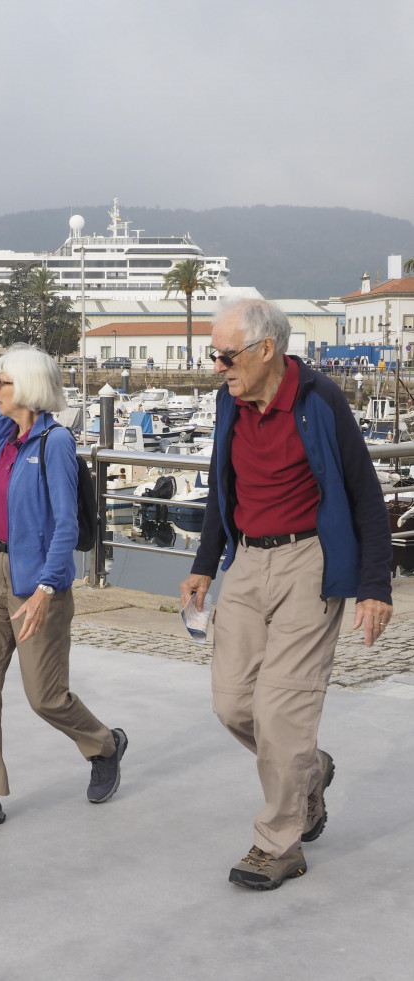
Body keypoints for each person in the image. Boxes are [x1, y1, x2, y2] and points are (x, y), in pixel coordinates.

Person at [180, 299, 392, 890]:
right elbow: (225, 488)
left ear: (265, 350)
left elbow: (365, 498)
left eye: (226, 355)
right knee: (233, 704)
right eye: (214, 355)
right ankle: (307, 773)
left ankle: (279, 842)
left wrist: (375, 585)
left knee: (282, 712)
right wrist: (204, 565)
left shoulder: (319, 401)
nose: (218, 366)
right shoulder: (229, 401)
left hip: (309, 564)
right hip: (246, 561)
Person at [0, 344, 127, 834]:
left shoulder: (55, 443)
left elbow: (66, 526)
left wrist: (45, 588)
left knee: (45, 696)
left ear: (27, 388)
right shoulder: (1, 434)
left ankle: (104, 745)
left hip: (37, 582)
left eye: (0, 382)